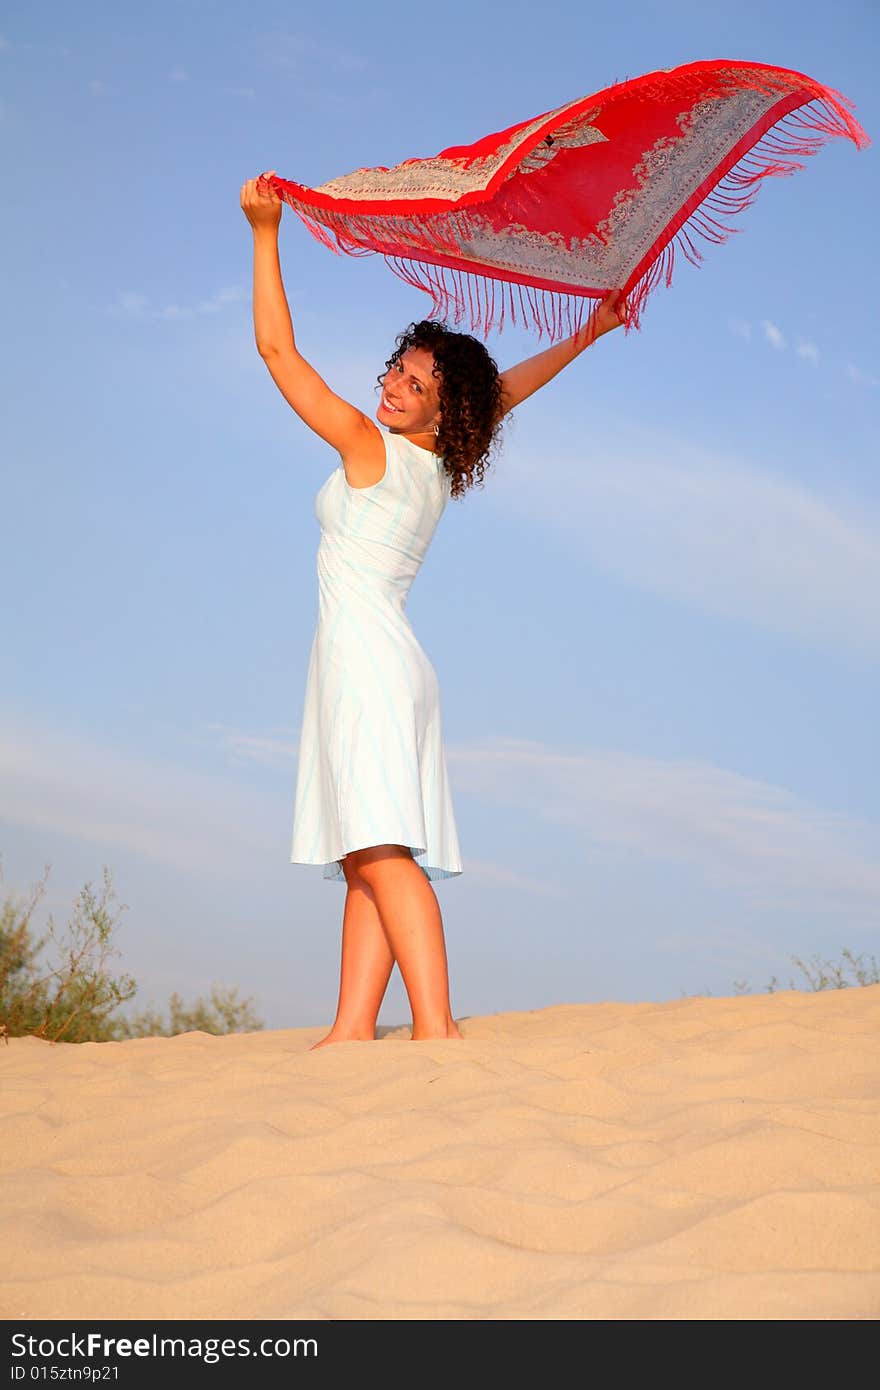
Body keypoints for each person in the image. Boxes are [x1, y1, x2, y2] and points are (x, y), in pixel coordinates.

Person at [240, 170, 627, 1048]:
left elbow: (277, 355)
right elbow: (508, 391)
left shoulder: (373, 451)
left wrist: (265, 235)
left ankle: (437, 1031)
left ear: (440, 408)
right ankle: (349, 1031)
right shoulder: (437, 467)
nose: (393, 385)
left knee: (379, 849)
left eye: (416, 381)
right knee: (363, 852)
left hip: (370, 661)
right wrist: (589, 333)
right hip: (380, 660)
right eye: (397, 369)